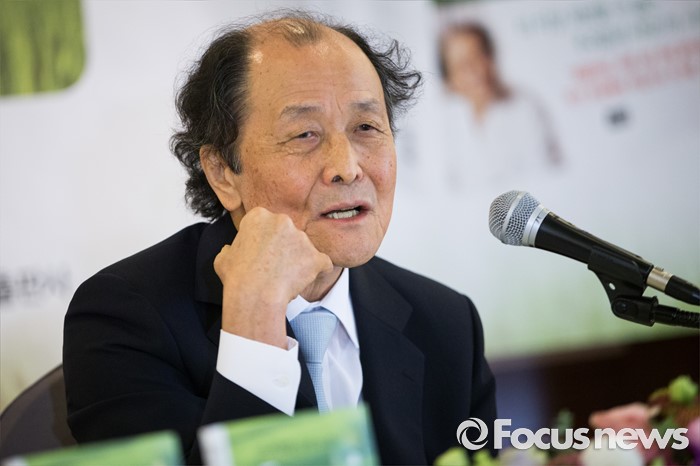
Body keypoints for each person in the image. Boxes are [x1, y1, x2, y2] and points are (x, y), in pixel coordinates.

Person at [63, 10, 497, 465]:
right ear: (222, 172)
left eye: (366, 128)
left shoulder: (446, 323)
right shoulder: (125, 318)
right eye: (305, 134)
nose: (347, 167)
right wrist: (255, 323)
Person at [438, 22, 562, 189]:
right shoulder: (446, 123)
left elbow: (545, 174)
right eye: (461, 65)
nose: (474, 71)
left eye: (478, 56)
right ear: (449, 81)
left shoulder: (524, 106)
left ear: (491, 58)